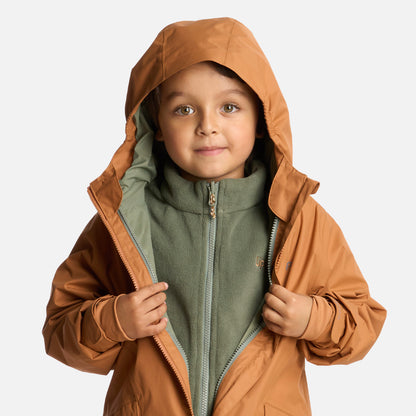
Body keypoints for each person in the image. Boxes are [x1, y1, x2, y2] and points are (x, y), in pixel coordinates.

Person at [43, 17, 386, 416]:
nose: (207, 126)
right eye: (184, 109)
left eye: (229, 107)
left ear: (261, 119)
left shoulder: (299, 219)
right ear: (156, 123)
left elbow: (363, 324)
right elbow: (59, 331)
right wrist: (114, 319)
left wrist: (314, 319)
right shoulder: (123, 221)